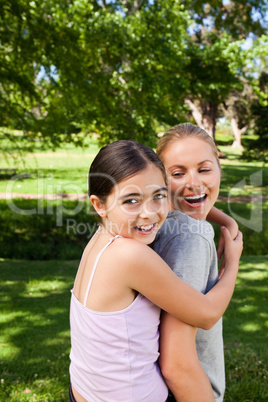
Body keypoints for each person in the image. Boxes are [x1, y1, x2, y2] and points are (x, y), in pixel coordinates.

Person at [69, 139, 242, 402]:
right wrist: (232, 262)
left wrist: (226, 220)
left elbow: (169, 197)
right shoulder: (132, 256)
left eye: (158, 196)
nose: (149, 213)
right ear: (99, 204)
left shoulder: (102, 238)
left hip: (83, 391)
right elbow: (206, 315)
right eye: (131, 201)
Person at [153, 123, 238, 401]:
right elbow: (176, 364)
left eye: (204, 169)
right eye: (178, 173)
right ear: (162, 181)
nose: (193, 182)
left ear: (218, 169)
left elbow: (194, 198)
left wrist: (228, 221)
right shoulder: (193, 238)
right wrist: (232, 263)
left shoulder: (156, 219)